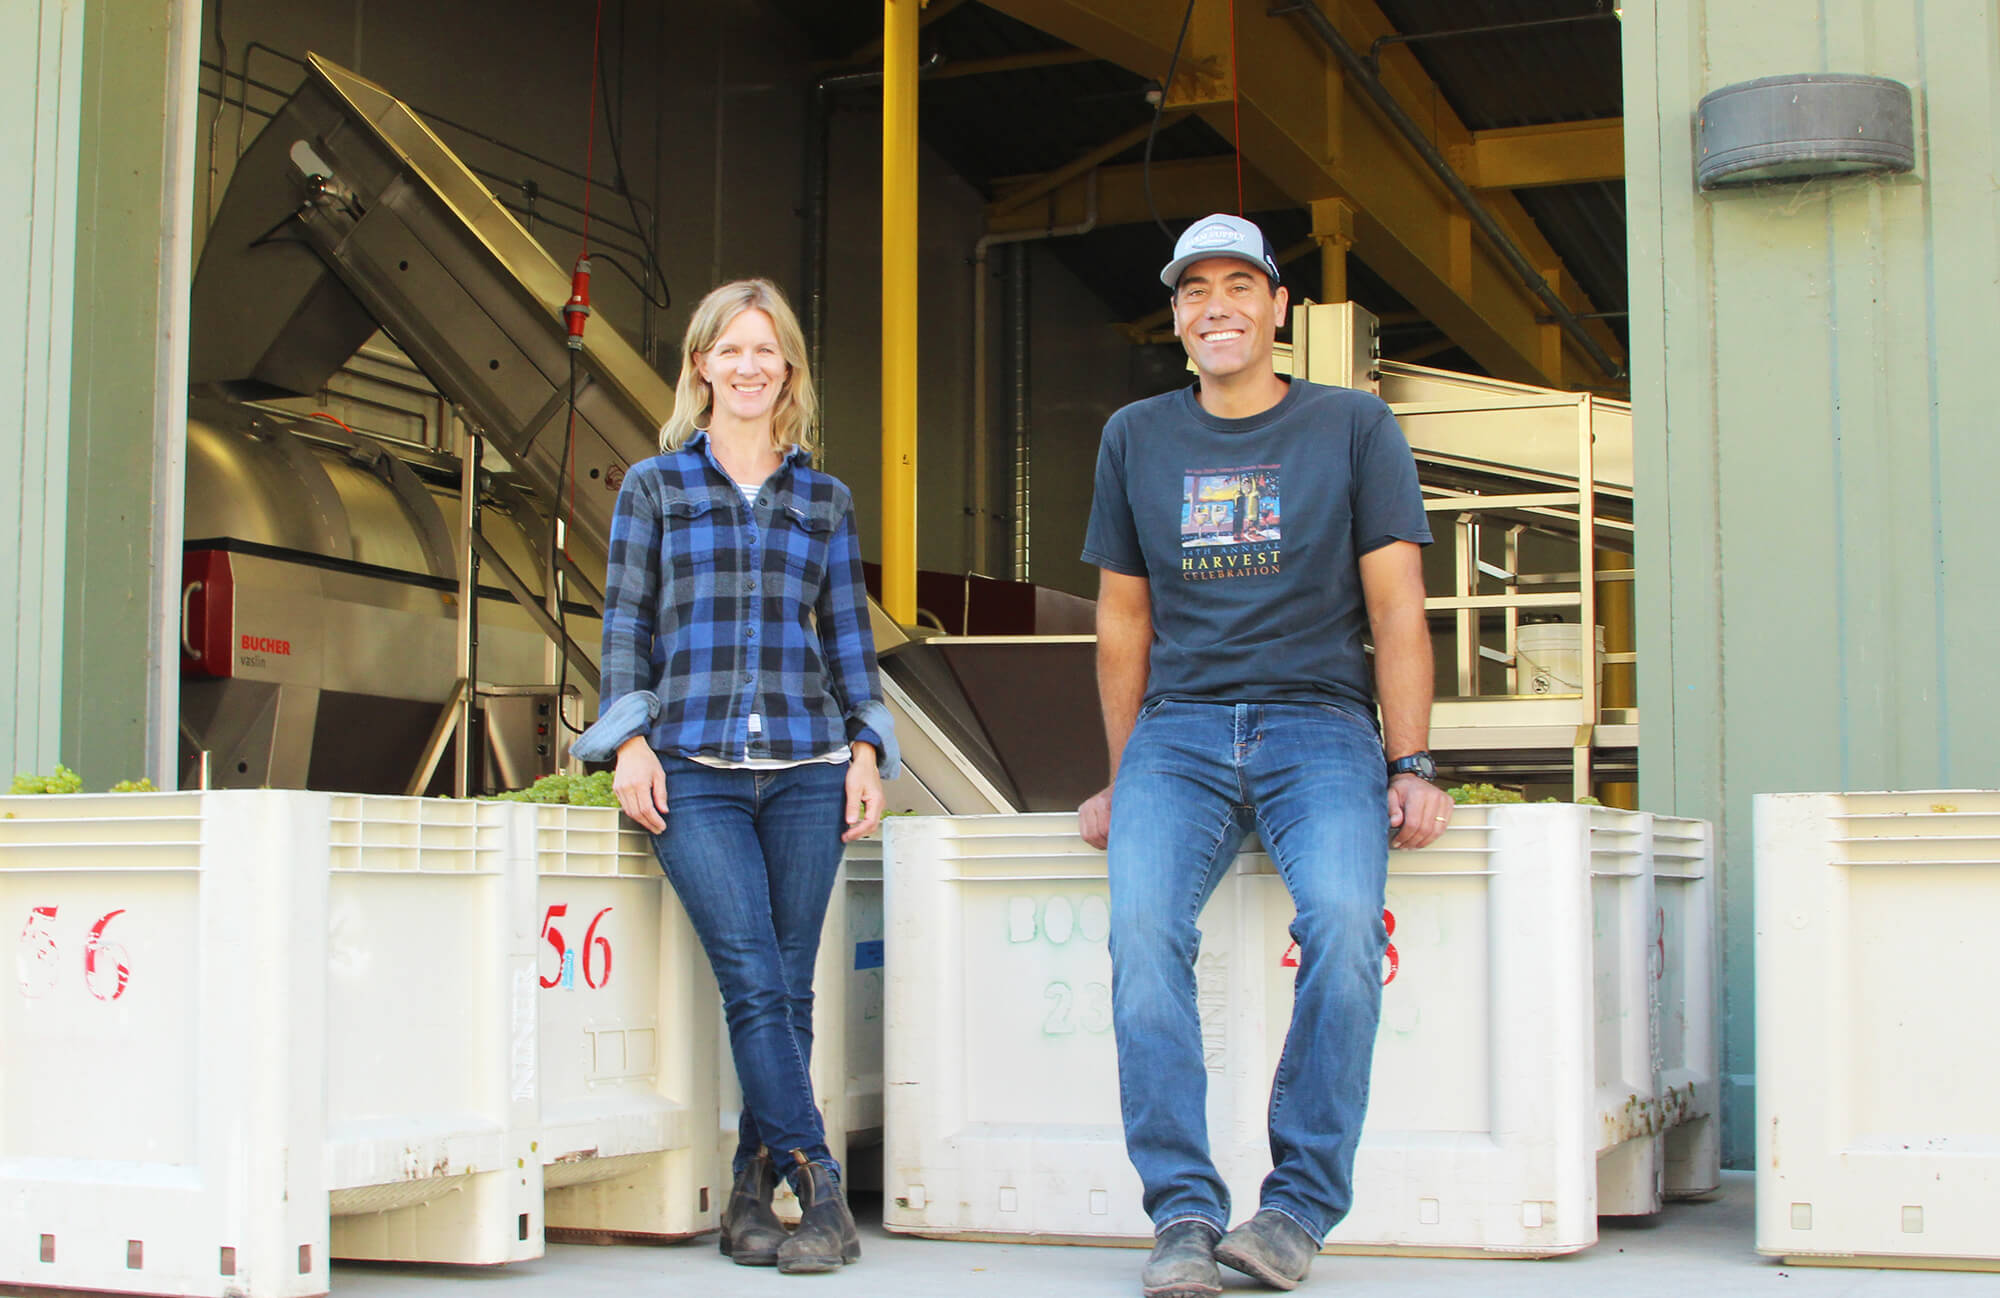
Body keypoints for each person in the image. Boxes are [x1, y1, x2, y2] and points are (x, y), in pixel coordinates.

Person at [1076, 214, 1453, 1297]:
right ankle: (1182, 1214)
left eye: (1239, 285)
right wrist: (1122, 766)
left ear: (1277, 306)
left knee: (1341, 924)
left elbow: (1395, 605)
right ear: (1177, 316)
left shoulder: (1351, 425)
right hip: (1179, 732)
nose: (1216, 307)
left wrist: (1411, 758)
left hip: (1319, 724)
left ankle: (1293, 1207)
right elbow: (1121, 624)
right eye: (1194, 290)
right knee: (1142, 935)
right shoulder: (1134, 435)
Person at [569, 278, 897, 1275]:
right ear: (701, 365)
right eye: (731, 349)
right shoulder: (653, 488)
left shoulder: (824, 501)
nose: (750, 366)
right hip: (693, 770)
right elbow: (623, 624)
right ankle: (821, 1187)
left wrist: (868, 750)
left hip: (804, 766)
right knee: (753, 979)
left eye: (769, 351)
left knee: (789, 992)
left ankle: (753, 1199)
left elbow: (848, 644)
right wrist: (627, 743)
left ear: (787, 371)